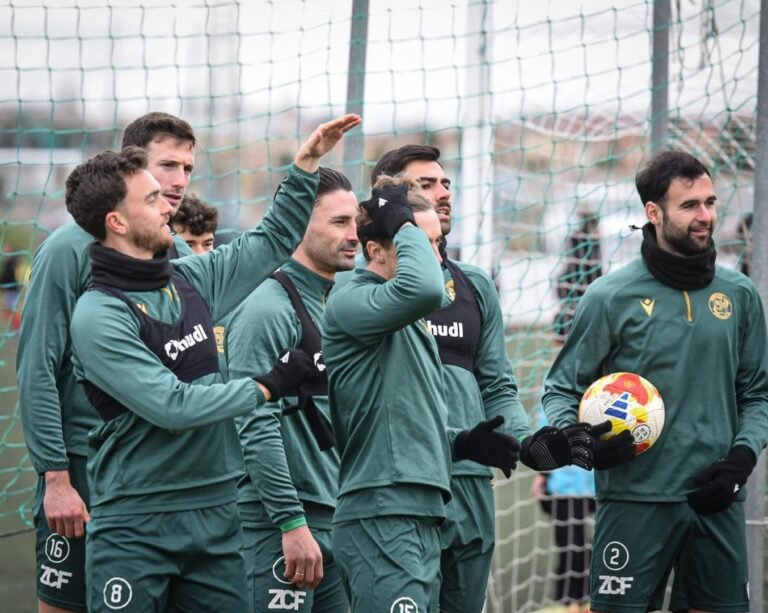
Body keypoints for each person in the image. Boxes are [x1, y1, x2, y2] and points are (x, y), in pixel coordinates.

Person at [66, 113, 360, 611]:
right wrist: (269, 385)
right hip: (137, 522)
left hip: (217, 516)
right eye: (152, 198)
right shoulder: (98, 314)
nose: (168, 205)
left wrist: (306, 165)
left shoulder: (191, 279)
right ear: (116, 222)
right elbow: (172, 406)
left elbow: (267, 243)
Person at [371, 145, 597, 613]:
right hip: (398, 486)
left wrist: (529, 440)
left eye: (445, 183)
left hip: (472, 484)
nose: (443, 193)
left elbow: (497, 386)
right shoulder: (363, 287)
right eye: (425, 185)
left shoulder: (475, 285)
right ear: (390, 203)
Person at [542, 150, 768, 613]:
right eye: (689, 206)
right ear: (653, 212)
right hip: (633, 501)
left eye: (709, 202)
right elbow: (561, 387)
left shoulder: (739, 294)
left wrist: (742, 457)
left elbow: (758, 393)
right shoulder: (611, 296)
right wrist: (580, 439)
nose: (704, 216)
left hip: (715, 500)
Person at [17, 111, 200, 613]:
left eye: (188, 168)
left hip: (157, 476)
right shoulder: (67, 249)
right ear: (134, 167)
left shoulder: (178, 254)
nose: (180, 181)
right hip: (84, 468)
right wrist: (56, 479)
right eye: (168, 166)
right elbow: (37, 367)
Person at [225, 167, 357, 612]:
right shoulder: (266, 307)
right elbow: (254, 423)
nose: (355, 234)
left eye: (355, 221)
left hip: (334, 520)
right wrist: (291, 520)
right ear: (300, 222)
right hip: (281, 526)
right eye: (340, 223)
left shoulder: (335, 304)